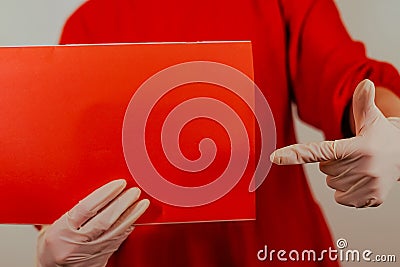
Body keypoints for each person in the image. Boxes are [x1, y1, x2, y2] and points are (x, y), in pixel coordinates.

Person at [36, 0, 400, 266]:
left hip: (275, 252)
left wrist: (392, 128)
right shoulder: (88, 24)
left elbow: (348, 79)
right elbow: (70, 167)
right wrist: (55, 246)